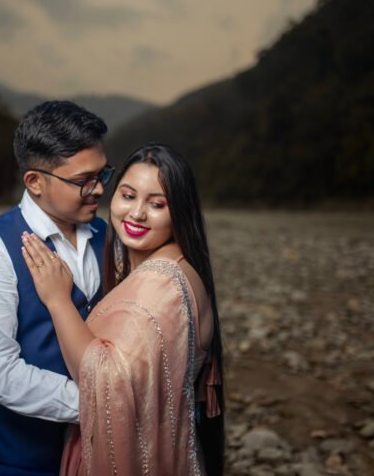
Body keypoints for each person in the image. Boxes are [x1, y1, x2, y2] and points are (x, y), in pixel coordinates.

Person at [22, 143, 225, 476]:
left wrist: (58, 300)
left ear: (180, 210)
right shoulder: (167, 265)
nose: (137, 213)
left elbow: (108, 384)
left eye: (157, 204)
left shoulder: (162, 283)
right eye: (128, 196)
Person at [0, 101, 115, 476]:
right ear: (35, 182)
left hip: (97, 457)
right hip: (16, 460)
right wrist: (101, 403)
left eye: (102, 174)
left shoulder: (106, 235)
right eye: (83, 180)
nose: (98, 190)